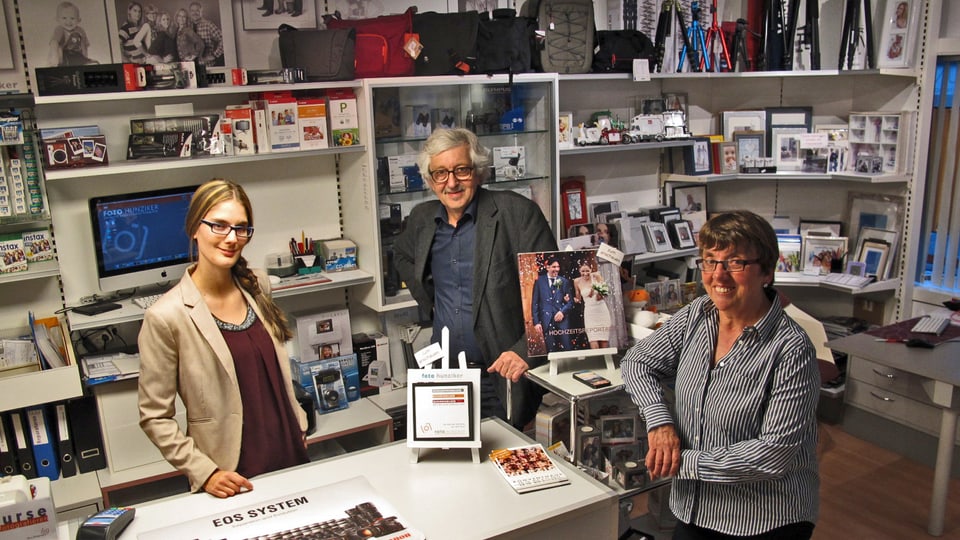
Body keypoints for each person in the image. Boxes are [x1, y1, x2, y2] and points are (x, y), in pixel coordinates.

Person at [621, 210, 819, 538]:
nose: (719, 275)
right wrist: (660, 423)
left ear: (767, 271)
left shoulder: (791, 350)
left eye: (736, 263)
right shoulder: (699, 314)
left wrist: (683, 463)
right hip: (692, 507)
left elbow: (773, 453)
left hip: (762, 518)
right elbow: (637, 362)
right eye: (710, 261)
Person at [138, 179, 308, 498]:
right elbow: (154, 417)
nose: (232, 238)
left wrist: (299, 421)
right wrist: (205, 473)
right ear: (194, 228)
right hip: (230, 474)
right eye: (219, 226)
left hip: (289, 452)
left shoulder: (256, 284)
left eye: (241, 228)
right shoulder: (167, 316)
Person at [394, 128, 557, 429]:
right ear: (430, 181)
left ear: (478, 172)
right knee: (449, 468)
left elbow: (555, 295)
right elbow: (402, 256)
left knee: (498, 466)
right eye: (440, 173)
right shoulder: (421, 219)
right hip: (444, 375)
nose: (451, 182)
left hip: (499, 378)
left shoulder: (517, 214)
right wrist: (431, 302)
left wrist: (523, 352)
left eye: (461, 170)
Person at [532, 256, 575, 353]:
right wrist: (536, 322)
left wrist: (562, 312)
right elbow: (535, 303)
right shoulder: (539, 281)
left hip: (562, 320)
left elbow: (570, 302)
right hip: (546, 319)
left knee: (567, 346)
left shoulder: (563, 281)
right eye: (554, 267)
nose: (556, 269)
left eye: (558, 267)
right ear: (548, 267)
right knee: (551, 349)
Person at [574, 263, 611, 349]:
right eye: (583, 271)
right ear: (579, 271)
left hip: (601, 310)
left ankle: (604, 359)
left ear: (591, 270)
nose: (585, 273)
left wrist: (599, 294)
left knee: (603, 339)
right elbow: (578, 298)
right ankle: (597, 360)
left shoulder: (596, 276)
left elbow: (605, 293)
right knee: (592, 339)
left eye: (587, 271)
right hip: (590, 313)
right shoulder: (576, 281)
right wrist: (575, 300)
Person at [48, 2, 96, 66]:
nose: (68, 21)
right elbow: (54, 43)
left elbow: (84, 45)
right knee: (58, 49)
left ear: (79, 20)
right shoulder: (59, 29)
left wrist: (85, 58)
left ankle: (82, 62)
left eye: (72, 18)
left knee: (85, 60)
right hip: (64, 54)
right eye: (64, 18)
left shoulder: (80, 30)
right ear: (58, 19)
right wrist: (54, 57)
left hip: (77, 55)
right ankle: (58, 63)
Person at [188, 2, 223, 66]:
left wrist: (214, 55)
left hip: (207, 65)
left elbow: (224, 39)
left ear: (201, 11)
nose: (195, 13)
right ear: (190, 12)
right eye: (192, 11)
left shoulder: (208, 25)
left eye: (197, 10)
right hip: (192, 66)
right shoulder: (188, 27)